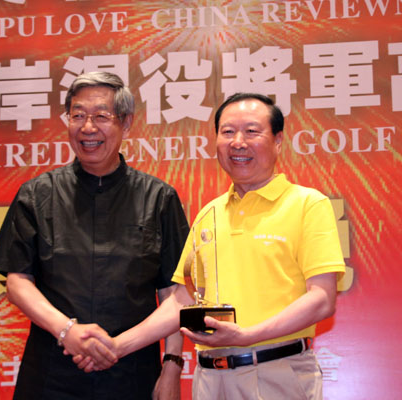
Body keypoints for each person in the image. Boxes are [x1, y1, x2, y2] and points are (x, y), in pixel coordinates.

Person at [74, 92, 345, 399]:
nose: (238, 142)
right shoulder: (209, 214)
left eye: (252, 131)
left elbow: (322, 299)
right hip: (210, 379)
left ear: (278, 141)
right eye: (227, 132)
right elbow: (182, 300)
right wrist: (116, 346)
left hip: (275, 372)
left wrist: (246, 336)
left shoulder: (307, 204)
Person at [0, 71, 189, 400]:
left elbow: (177, 295)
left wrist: (170, 367)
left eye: (101, 116)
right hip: (52, 372)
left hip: (133, 373)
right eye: (78, 115)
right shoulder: (37, 195)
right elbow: (17, 282)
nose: (88, 127)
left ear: (126, 123)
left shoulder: (159, 198)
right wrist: (67, 331)